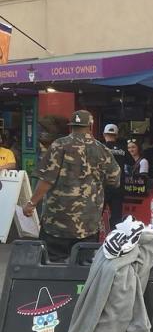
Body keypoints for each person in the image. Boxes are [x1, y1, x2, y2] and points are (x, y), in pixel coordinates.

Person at [22, 110, 120, 262]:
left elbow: (46, 180)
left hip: (56, 223)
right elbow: (114, 179)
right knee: (83, 268)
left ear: (71, 127)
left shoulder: (58, 145)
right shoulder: (103, 150)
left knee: (52, 264)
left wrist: (31, 203)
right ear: (91, 126)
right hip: (88, 224)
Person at [102, 123, 132, 229]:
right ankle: (115, 242)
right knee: (116, 218)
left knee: (97, 217)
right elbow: (132, 162)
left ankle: (93, 243)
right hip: (118, 187)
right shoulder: (123, 149)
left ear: (104, 134)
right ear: (117, 135)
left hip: (102, 188)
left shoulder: (100, 148)